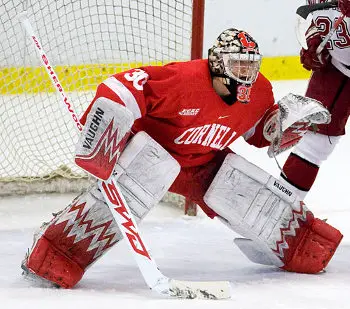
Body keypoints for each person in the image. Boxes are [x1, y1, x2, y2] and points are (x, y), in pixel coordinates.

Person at [21, 28, 342, 289]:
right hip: (151, 154)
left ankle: (301, 244)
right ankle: (57, 251)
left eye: (251, 66)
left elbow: (256, 134)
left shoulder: (259, 91)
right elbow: (120, 87)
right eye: (237, 67)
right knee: (149, 173)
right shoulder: (184, 81)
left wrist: (280, 128)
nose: (247, 76)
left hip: (202, 165)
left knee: (237, 184)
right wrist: (104, 135)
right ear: (217, 64)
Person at [280, 0, 350, 199]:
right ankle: (284, 205)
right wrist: (313, 46)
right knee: (314, 141)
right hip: (338, 67)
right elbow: (315, 15)